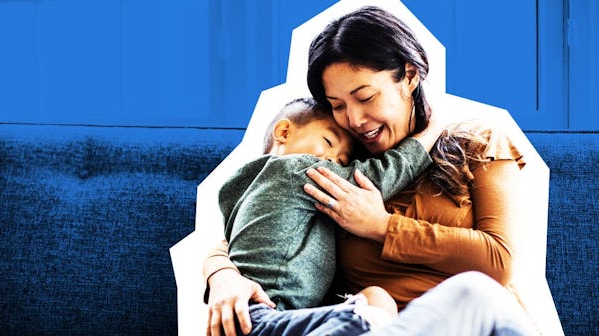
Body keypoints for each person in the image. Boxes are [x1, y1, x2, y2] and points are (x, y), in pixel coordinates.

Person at [204, 5, 538, 336]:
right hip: (371, 328)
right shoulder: (338, 171)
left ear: (409, 77)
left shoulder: (476, 144)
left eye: (365, 97)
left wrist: (381, 226)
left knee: (474, 292)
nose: (354, 120)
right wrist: (223, 277)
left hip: (479, 324)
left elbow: (499, 262)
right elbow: (254, 226)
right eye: (337, 106)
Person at [217, 96, 442, 335]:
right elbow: (377, 176)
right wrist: (433, 128)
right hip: (263, 314)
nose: (333, 160)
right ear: (283, 131)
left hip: (249, 318)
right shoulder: (296, 169)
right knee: (372, 308)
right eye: (328, 141)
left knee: (372, 300)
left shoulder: (240, 189)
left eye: (343, 161)